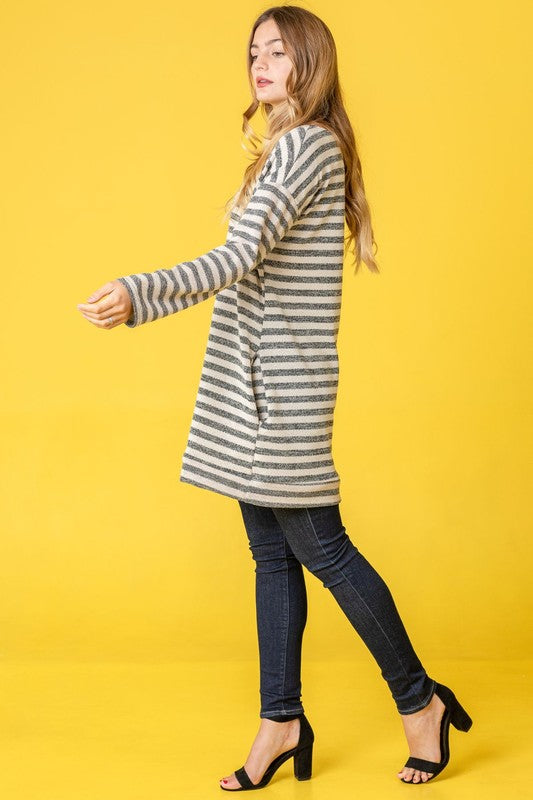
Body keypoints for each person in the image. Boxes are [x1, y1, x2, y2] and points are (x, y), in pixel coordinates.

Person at [76, 5, 473, 790]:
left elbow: (236, 256)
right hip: (254, 387)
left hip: (278, 395)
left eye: (278, 52)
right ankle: (280, 720)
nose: (261, 64)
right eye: (254, 51)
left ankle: (418, 701)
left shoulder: (303, 148)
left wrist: (138, 292)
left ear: (310, 62)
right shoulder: (291, 149)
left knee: (322, 549)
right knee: (271, 555)